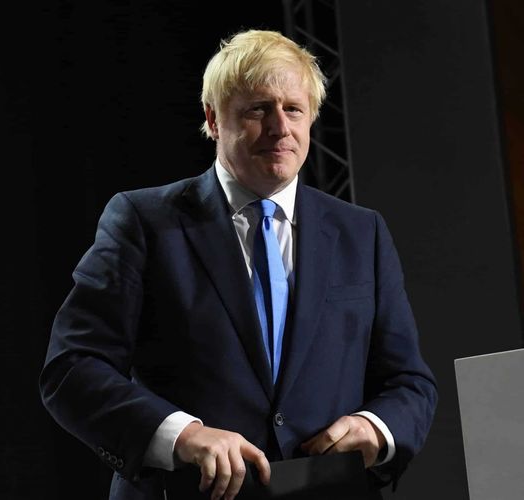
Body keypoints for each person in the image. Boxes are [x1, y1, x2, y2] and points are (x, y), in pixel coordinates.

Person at [39, 29, 437, 500]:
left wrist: (375, 427)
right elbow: (73, 368)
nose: (279, 127)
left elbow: (409, 382)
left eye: (294, 109)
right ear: (212, 118)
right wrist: (182, 435)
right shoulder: (144, 221)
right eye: (258, 109)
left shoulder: (361, 232)